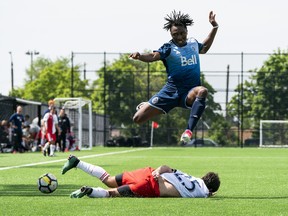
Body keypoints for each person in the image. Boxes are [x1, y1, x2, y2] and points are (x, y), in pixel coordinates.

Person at [129, 10, 218, 144]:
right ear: (171, 34)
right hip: (170, 92)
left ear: (187, 31)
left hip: (189, 92)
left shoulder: (193, 44)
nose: (180, 36)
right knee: (138, 119)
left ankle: (188, 131)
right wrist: (140, 56)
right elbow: (153, 56)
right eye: (175, 34)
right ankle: (153, 105)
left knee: (202, 91)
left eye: (182, 33)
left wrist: (215, 28)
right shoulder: (168, 48)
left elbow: (204, 47)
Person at [62, 155, 220, 198]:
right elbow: (167, 191)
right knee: (112, 193)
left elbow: (166, 167)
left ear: (203, 177)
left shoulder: (191, 177)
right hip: (150, 187)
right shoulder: (201, 193)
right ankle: (89, 190)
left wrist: (158, 171)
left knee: (109, 180)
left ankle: (77, 163)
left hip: (147, 172)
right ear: (211, 190)